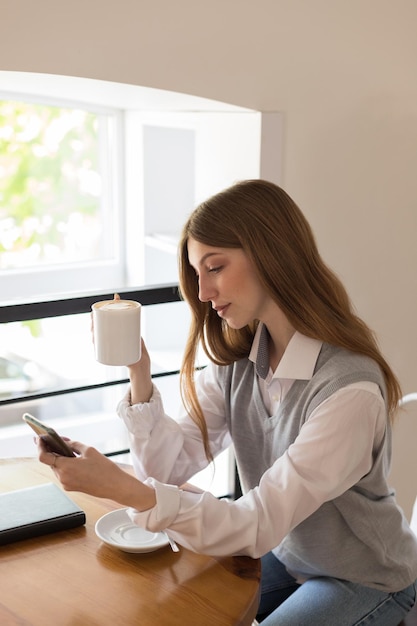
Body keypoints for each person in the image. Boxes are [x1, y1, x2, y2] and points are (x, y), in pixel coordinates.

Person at [37, 179, 417, 625]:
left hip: (364, 578)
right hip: (290, 555)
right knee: (174, 609)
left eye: (215, 268)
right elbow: (166, 470)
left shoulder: (348, 393)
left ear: (270, 253)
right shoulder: (242, 361)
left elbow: (253, 525)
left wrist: (122, 490)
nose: (202, 293)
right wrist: (138, 370)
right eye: (198, 273)